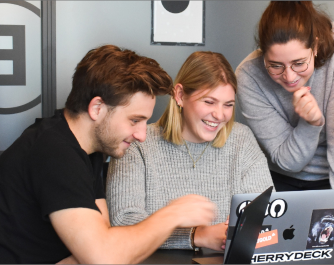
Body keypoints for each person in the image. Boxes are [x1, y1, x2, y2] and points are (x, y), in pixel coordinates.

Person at [0, 45, 217, 264]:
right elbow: (105, 256)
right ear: (97, 108)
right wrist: (172, 215)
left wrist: (100, 251)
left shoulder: (88, 150)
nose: (141, 135)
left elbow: (103, 239)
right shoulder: (54, 151)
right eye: (135, 120)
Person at [107, 51, 274, 251]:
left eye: (228, 105)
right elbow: (123, 223)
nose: (219, 115)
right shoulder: (137, 143)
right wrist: (196, 236)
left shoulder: (241, 140)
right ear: (179, 95)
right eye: (209, 102)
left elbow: (270, 216)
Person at [235, 1, 334, 234]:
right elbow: (288, 160)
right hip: (281, 181)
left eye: (299, 63)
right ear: (263, 54)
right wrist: (311, 124)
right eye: (275, 66)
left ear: (316, 46)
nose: (289, 76)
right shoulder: (249, 76)